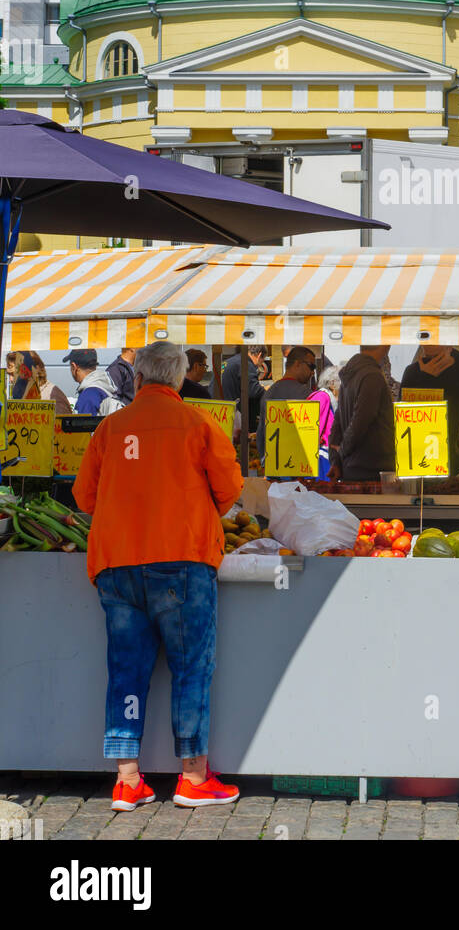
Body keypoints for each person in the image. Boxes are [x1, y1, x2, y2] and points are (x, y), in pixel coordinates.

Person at [73, 341, 243, 812]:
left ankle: (127, 780)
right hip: (182, 560)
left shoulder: (110, 428)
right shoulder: (198, 423)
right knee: (191, 669)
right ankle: (193, 777)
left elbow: (84, 497)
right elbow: (229, 488)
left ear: (141, 378)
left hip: (116, 563)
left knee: (125, 670)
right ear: (178, 378)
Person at [329, 346, 395, 482]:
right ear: (384, 345)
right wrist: (340, 454)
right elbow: (361, 420)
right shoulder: (372, 376)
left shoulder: (350, 375)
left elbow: (338, 422)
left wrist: (336, 460)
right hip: (372, 469)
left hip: (352, 468)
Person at [400, 346, 459, 472]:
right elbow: (403, 418)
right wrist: (425, 378)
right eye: (427, 358)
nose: (433, 363)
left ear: (449, 349)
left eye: (437, 357)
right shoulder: (413, 373)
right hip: (421, 454)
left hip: (454, 456)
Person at [256, 346, 317, 463]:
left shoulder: (268, 393)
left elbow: (261, 436)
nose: (312, 372)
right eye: (311, 366)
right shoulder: (306, 394)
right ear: (297, 364)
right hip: (300, 466)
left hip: (273, 465)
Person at [63, 350, 126, 416]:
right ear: (95, 366)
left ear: (74, 367)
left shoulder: (88, 395)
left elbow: (83, 425)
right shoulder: (106, 389)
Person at [220, 345, 267, 432]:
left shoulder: (233, 361)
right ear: (259, 355)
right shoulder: (246, 364)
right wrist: (266, 389)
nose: (259, 365)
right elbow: (253, 391)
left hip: (218, 410)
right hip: (230, 414)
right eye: (262, 361)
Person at [307, 365, 341, 479]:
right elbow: (311, 430)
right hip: (320, 459)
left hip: (325, 456)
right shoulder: (322, 397)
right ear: (332, 384)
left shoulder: (328, 399)